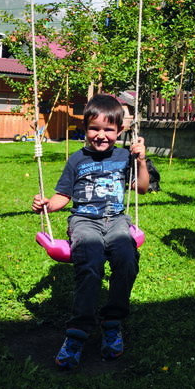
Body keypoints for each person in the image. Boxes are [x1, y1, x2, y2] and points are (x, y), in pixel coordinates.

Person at [32, 93, 150, 369]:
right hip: (84, 221)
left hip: (117, 220)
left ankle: (112, 322)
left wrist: (142, 161)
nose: (101, 135)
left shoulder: (126, 157)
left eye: (108, 129)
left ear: (119, 131)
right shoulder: (77, 160)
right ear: (85, 129)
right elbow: (63, 195)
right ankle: (77, 332)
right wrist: (47, 205)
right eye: (94, 128)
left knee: (126, 258)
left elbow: (142, 188)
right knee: (91, 260)